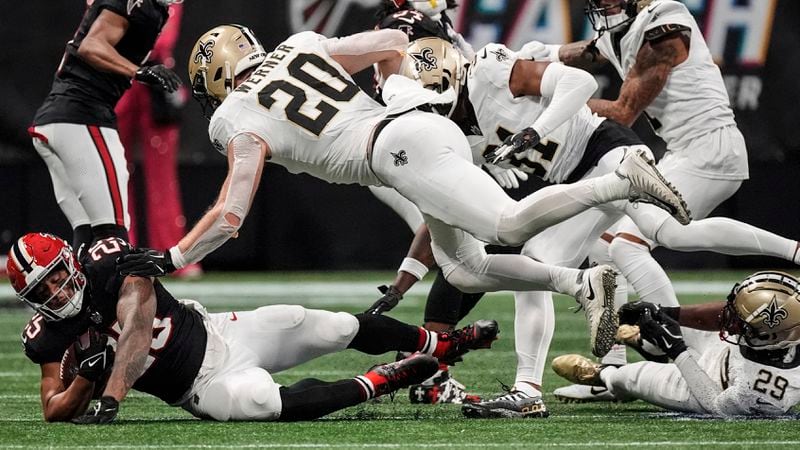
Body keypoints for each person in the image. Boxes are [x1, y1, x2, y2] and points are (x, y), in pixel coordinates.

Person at [117, 25, 691, 362]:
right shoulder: (300, 45)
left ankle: (620, 180)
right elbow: (395, 41)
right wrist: (396, 91)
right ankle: (581, 282)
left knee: (509, 226)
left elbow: (232, 212)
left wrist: (172, 257)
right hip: (414, 129)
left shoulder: (235, 118)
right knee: (464, 268)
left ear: (217, 77)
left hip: (396, 148)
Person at [520, 0, 800, 403]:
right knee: (604, 243)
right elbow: (582, 51)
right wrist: (524, 61)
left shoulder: (665, 27)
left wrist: (540, 101)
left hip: (709, 152)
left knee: (640, 241)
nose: (604, 5)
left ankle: (674, 344)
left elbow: (621, 113)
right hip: (683, 152)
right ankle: (612, 368)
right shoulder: (628, 27)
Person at [7, 232, 500, 423]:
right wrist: (83, 385)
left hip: (216, 332)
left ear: (71, 264)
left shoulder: (107, 265)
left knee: (315, 323)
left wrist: (110, 396)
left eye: (54, 280)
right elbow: (54, 409)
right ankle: (382, 380)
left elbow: (136, 330)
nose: (55, 295)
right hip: (198, 386)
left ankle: (441, 343)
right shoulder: (48, 335)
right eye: (41, 292)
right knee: (262, 402)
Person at [27, 0, 183, 253]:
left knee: (90, 235)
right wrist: (139, 71)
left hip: (62, 119)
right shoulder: (136, 4)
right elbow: (92, 45)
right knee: (112, 237)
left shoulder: (155, 9)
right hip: (82, 118)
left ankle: (79, 293)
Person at [553, 271, 800, 416]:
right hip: (732, 350)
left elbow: (716, 404)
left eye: (738, 320)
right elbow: (723, 316)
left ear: (771, 336)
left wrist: (677, 350)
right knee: (663, 326)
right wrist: (665, 312)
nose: (728, 320)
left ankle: (602, 377)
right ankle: (645, 341)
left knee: (629, 376)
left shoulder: (768, 390)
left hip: (712, 385)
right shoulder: (775, 331)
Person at [114, 2, 203, 278]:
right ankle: (117, 250)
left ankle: (171, 253)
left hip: (155, 79)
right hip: (118, 75)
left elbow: (164, 33)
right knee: (115, 170)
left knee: (162, 177)